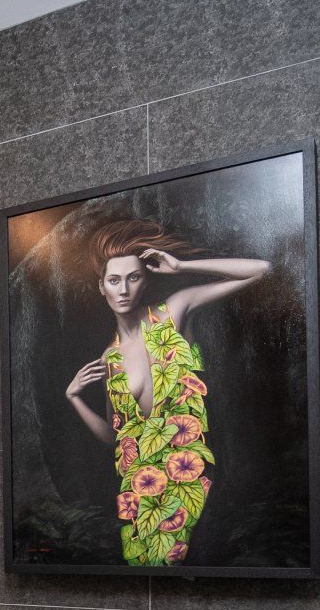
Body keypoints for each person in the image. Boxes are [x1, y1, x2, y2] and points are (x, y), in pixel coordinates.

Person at [64, 220, 270, 564]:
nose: (124, 289)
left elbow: (260, 270)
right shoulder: (109, 357)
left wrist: (181, 266)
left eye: (133, 277)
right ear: (102, 287)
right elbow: (117, 440)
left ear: (145, 281)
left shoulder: (172, 312)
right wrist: (73, 398)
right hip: (141, 493)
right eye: (114, 281)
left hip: (193, 478)